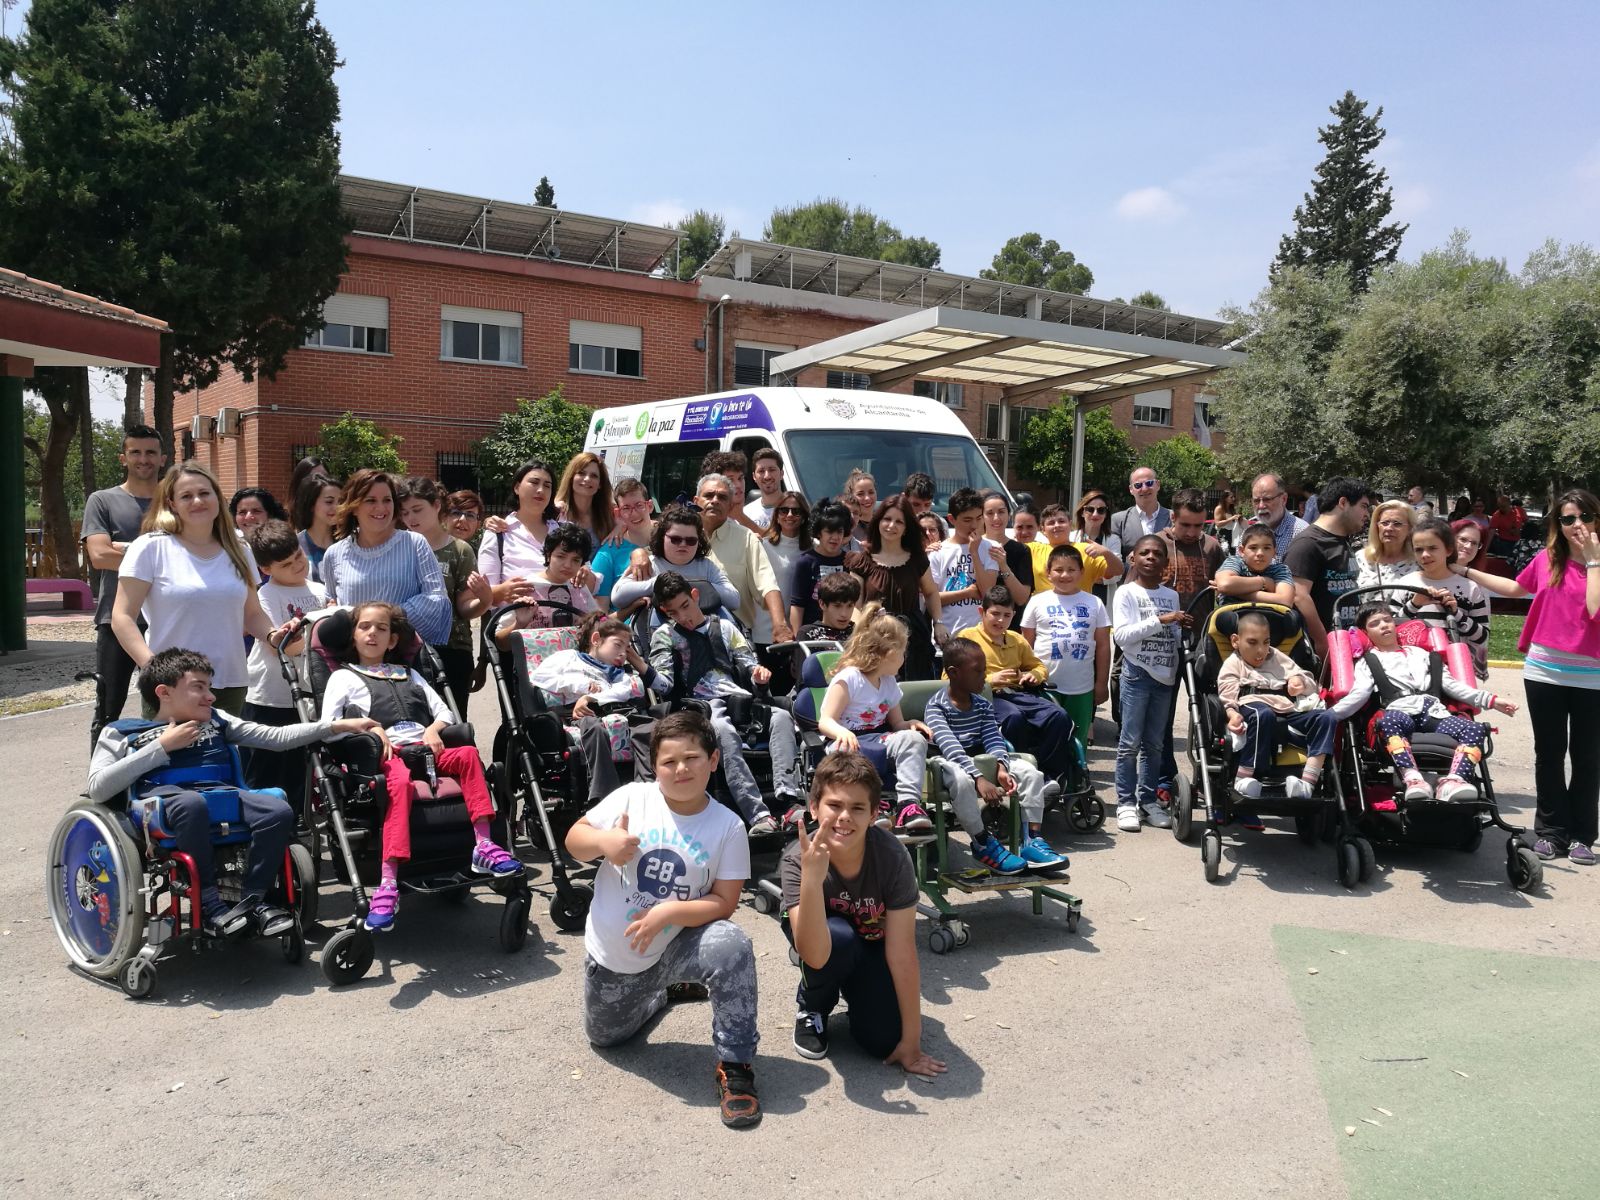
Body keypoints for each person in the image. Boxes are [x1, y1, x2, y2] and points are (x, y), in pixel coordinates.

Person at [89, 647, 379, 936]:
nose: (211, 696)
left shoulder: (217, 720)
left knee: (277, 810)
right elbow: (98, 788)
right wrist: (162, 746)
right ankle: (210, 905)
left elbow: (275, 737)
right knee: (192, 804)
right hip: (165, 804)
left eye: (210, 687)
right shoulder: (123, 732)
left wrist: (335, 726)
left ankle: (254, 901)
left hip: (220, 795)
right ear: (164, 692)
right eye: (199, 687)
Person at [568, 710, 762, 1128]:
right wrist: (603, 841)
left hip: (678, 942)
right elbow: (574, 840)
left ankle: (736, 1066)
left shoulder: (728, 826)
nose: (681, 769)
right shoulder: (632, 798)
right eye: (669, 761)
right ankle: (661, 994)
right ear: (654, 767)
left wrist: (669, 911)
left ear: (713, 760)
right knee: (606, 1038)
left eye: (692, 758)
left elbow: (724, 902)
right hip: (618, 959)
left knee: (731, 944)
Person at [321, 602, 521, 931]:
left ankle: (484, 845)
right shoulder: (343, 677)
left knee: (468, 754)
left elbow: (444, 713)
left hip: (424, 749)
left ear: (392, 640)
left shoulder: (409, 674)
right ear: (353, 636)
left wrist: (433, 729)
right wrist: (367, 728)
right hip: (384, 756)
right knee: (398, 783)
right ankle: (388, 883)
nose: (372, 633)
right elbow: (328, 727)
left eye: (381, 628)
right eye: (364, 627)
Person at [1453, 489, 1600, 863]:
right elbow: (1517, 588)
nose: (1577, 525)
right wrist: (1464, 570)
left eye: (1584, 516)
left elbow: (1594, 609)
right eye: (1567, 519)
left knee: (1587, 757)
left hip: (1593, 677)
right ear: (1558, 525)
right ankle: (1551, 832)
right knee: (1548, 753)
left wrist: (1594, 560)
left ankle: (1583, 835)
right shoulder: (1549, 558)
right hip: (1544, 670)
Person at [781, 751, 947, 1079]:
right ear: (814, 808)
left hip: (872, 941)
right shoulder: (796, 859)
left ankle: (855, 988)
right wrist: (812, 880)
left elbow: (903, 953)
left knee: (884, 1042)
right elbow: (814, 954)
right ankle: (813, 1005)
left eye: (857, 808)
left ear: (873, 814)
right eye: (834, 805)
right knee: (837, 941)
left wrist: (911, 1042)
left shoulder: (892, 856)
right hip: (824, 940)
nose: (845, 817)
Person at [113, 463, 282, 718]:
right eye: (186, 496)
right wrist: (154, 669)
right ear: (172, 504)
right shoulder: (149, 547)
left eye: (204, 493)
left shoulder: (239, 548)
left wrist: (273, 636)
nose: (197, 501)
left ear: (217, 497)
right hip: (173, 687)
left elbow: (252, 614)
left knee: (227, 746)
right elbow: (121, 617)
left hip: (230, 683)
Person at [648, 572, 798, 834]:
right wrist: (641, 668)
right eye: (673, 613)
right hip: (701, 705)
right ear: (664, 612)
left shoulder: (726, 628)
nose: (683, 617)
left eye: (685, 606)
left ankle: (789, 800)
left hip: (739, 698)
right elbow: (665, 686)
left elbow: (749, 666)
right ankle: (759, 814)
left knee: (782, 717)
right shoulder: (665, 635)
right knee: (722, 730)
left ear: (695, 596)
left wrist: (759, 677)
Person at [1329, 605, 1515, 806]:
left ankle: (1453, 781)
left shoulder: (1424, 655)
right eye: (1375, 624)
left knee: (1476, 729)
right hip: (1398, 711)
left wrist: (1492, 700)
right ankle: (1413, 779)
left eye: (1387, 620)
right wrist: (1331, 714)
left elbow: (1453, 686)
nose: (1383, 625)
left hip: (1433, 712)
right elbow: (1359, 694)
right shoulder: (1369, 661)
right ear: (1365, 633)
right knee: (1390, 720)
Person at [929, 636, 1066, 871]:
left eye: (984, 670)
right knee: (961, 781)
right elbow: (951, 748)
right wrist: (979, 778)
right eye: (978, 671)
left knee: (1031, 773)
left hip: (982, 760)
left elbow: (993, 738)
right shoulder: (937, 706)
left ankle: (1031, 840)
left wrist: (1001, 767)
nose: (984, 676)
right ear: (953, 673)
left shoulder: (982, 704)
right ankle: (982, 842)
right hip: (951, 764)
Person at [815, 605, 934, 833]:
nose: (904, 657)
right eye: (902, 651)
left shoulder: (889, 682)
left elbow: (897, 724)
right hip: (845, 742)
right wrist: (842, 732)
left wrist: (910, 725)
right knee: (851, 749)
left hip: (878, 738)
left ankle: (908, 805)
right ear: (888, 653)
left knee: (913, 739)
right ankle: (873, 806)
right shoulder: (849, 678)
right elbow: (825, 721)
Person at [82, 423, 166, 745]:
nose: (143, 459)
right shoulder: (102, 501)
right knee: (108, 711)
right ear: (123, 457)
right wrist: (160, 556)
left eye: (151, 453)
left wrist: (125, 548)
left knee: (169, 706)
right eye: (136, 452)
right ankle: (101, 774)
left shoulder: (176, 501)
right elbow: (99, 556)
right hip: (116, 619)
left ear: (162, 458)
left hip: (168, 619)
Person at [1217, 611, 1337, 823]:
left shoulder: (1276, 657)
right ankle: (1246, 777)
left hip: (1286, 710)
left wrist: (1299, 681)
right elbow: (1227, 693)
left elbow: (1308, 680)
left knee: (1326, 718)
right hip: (1251, 707)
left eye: (1266, 642)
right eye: (1252, 642)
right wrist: (1232, 713)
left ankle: (1307, 783)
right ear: (1235, 641)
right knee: (1262, 713)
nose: (1261, 650)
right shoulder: (1234, 663)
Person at [525, 610, 656, 802]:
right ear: (596, 640)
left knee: (650, 728)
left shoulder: (617, 673)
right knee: (595, 729)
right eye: (617, 645)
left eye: (626, 648)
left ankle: (648, 789)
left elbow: (623, 691)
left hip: (615, 709)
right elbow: (538, 677)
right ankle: (603, 795)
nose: (622, 654)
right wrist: (579, 686)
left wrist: (591, 697)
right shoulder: (569, 658)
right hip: (582, 713)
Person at [241, 521, 325, 808]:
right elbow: (283, 646)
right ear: (266, 569)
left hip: (307, 694)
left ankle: (299, 818)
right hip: (270, 696)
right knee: (266, 768)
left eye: (298, 556)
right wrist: (321, 631)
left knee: (300, 766)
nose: (297, 565)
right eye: (286, 564)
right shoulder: (265, 595)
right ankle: (263, 816)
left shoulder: (320, 590)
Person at [959, 586, 1077, 788]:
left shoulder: (1016, 639)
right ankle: (1019, 774)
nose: (1000, 620)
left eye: (1006, 615)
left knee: (1059, 716)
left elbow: (1038, 666)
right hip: (985, 696)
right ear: (982, 612)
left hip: (1018, 693)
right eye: (995, 614)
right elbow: (950, 678)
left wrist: (1034, 675)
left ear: (1013, 615)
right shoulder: (968, 638)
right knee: (1014, 718)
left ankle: (1050, 777)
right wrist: (988, 680)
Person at [320, 469, 452, 649]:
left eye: (387, 500)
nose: (381, 508)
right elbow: (331, 606)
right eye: (371, 500)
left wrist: (389, 617)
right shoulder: (334, 554)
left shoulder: (414, 543)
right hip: (353, 656)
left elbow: (436, 598)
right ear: (354, 507)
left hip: (403, 653)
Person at [1112, 535, 1191, 832]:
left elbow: (1173, 636)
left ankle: (1148, 802)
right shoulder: (1126, 593)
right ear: (1133, 558)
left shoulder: (1171, 595)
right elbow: (1122, 636)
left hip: (1165, 675)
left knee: (1155, 744)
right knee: (1130, 742)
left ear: (1166, 563)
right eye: (1144, 553)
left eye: (1157, 554)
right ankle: (1125, 802)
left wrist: (1180, 627)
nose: (1150, 558)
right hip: (1137, 673)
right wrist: (1162, 620)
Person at [397, 476, 486, 707]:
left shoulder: (459, 550)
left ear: (437, 505)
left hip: (451, 648)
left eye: (417, 510)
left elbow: (464, 608)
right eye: (405, 512)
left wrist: (485, 599)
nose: (411, 518)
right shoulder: (396, 547)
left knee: (453, 721)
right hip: (403, 648)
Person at [1021, 543, 1111, 757]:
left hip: (1081, 687)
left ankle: (1076, 774)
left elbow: (1103, 646)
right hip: (1044, 684)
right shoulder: (1037, 601)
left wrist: (1101, 683)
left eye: (1071, 570)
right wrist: (1024, 677)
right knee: (1045, 737)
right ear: (1048, 572)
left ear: (1082, 572)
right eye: (1059, 570)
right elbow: (1025, 644)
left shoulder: (1094, 602)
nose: (1065, 575)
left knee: (1077, 738)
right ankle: (1050, 775)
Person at [845, 495, 946, 681]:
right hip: (875, 640)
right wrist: (864, 632)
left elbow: (931, 592)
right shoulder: (861, 561)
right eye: (887, 519)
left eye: (899, 521)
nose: (892, 526)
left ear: (907, 527)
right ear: (878, 521)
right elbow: (854, 606)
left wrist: (938, 623)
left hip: (913, 640)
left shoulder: (917, 559)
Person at [696, 473, 793, 648]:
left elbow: (767, 584)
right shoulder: (679, 535)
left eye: (722, 497)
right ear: (696, 501)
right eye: (709, 495)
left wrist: (779, 624)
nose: (715, 501)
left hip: (735, 638)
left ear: (730, 505)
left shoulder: (746, 538)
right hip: (686, 635)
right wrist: (642, 553)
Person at [610, 506, 740, 629]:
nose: (683, 544)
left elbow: (734, 600)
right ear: (662, 537)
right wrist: (657, 584)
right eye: (676, 539)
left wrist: (698, 586)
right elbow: (618, 597)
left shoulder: (707, 566)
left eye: (690, 541)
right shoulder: (650, 564)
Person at [1284, 478, 1372, 660]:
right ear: (1343, 503)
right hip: (1324, 654)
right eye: (1363, 506)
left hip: (1350, 644)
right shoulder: (1307, 543)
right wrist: (1323, 642)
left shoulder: (1343, 540)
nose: (1367, 514)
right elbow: (1298, 595)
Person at [1400, 516, 1491, 680]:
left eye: (1433, 548)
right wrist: (1413, 605)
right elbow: (1391, 627)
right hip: (1410, 672)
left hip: (1454, 671)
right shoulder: (1405, 584)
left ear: (1449, 550)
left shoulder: (1470, 588)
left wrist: (1456, 613)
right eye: (1418, 550)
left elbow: (1482, 636)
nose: (1425, 554)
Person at [488, 524, 600, 641]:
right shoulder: (526, 587)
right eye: (561, 556)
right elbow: (500, 641)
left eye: (576, 560)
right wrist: (519, 624)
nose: (567, 565)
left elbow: (599, 623)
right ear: (548, 555)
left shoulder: (579, 588)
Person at [477, 461, 562, 601]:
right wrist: (502, 592)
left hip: (562, 614)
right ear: (517, 487)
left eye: (547, 486)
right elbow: (483, 594)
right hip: (514, 614)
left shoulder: (564, 532)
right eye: (534, 482)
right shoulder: (498, 533)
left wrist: (584, 573)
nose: (541, 490)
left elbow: (589, 585)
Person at [929, 487, 1005, 641]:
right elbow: (931, 598)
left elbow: (987, 592)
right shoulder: (938, 552)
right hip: (948, 636)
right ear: (951, 519)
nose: (974, 525)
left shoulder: (992, 547)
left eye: (979, 518)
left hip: (982, 638)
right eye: (967, 520)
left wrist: (974, 552)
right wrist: (967, 593)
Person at [758, 490, 810, 692]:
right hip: (765, 630)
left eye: (796, 511)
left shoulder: (813, 547)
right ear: (776, 514)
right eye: (784, 510)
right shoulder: (762, 546)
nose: (789, 515)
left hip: (799, 631)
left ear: (804, 516)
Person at [788, 501, 853, 633]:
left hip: (845, 635)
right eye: (829, 531)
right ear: (818, 532)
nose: (835, 537)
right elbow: (797, 605)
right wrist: (798, 638)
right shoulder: (806, 562)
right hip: (812, 635)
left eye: (839, 531)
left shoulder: (850, 561)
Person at [591, 477, 657, 608]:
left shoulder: (672, 540)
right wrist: (631, 609)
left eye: (639, 505)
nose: (634, 513)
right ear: (618, 513)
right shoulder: (607, 554)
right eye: (626, 508)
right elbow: (599, 613)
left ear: (649, 506)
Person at [1214, 523, 1298, 607]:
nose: (1260, 553)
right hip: (1232, 613)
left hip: (1269, 614)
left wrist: (1234, 591)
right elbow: (1225, 584)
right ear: (1242, 551)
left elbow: (1285, 601)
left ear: (1274, 552)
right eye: (1253, 548)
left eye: (1266, 548)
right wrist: (1264, 582)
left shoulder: (1280, 570)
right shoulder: (1235, 561)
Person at [981, 491, 1035, 611]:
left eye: (1001, 512)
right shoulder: (973, 547)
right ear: (982, 516)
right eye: (990, 513)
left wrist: (1004, 566)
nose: (996, 518)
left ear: (1009, 515)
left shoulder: (1021, 550)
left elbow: (1021, 599)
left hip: (1011, 619)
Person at [1356, 499, 1419, 599]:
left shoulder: (1419, 562)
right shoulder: (1360, 558)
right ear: (1377, 526)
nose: (1389, 528)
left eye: (1397, 524)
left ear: (1410, 529)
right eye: (1385, 523)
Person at [1109, 466, 1170, 563]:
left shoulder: (1174, 518)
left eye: (1149, 483)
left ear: (1158, 485)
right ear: (1131, 489)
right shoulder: (1118, 520)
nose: (1144, 489)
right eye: (1138, 485)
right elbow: (1112, 558)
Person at [553, 451, 616, 545]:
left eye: (594, 476)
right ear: (571, 478)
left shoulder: (608, 516)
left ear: (600, 484)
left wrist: (620, 527)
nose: (587, 479)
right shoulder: (557, 512)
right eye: (581, 473)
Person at [292, 472, 341, 583]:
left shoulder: (350, 544)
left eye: (341, 502)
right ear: (311, 505)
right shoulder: (294, 546)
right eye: (329, 502)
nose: (337, 507)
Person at [1249, 473, 1309, 559]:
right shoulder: (1249, 532)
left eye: (1267, 499)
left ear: (1284, 499)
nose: (1261, 506)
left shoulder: (1301, 534)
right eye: (1256, 501)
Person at [797, 572, 861, 644]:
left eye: (850, 606)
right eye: (837, 606)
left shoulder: (859, 633)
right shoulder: (809, 633)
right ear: (822, 604)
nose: (844, 614)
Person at [744, 447, 785, 530]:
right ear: (754, 476)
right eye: (761, 471)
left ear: (781, 474)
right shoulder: (746, 513)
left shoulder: (795, 512)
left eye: (772, 470)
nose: (767, 476)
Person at [1485, 493, 1526, 572]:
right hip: (1504, 543)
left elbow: (1527, 523)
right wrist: (1485, 548)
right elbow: (1491, 533)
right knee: (1505, 566)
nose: (1501, 508)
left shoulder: (1519, 510)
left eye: (1503, 506)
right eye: (1499, 506)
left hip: (1519, 543)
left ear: (1509, 504)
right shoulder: (1497, 515)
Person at [841, 468, 878, 547]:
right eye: (860, 494)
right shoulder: (844, 529)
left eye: (871, 492)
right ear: (851, 497)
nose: (867, 498)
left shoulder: (884, 523)